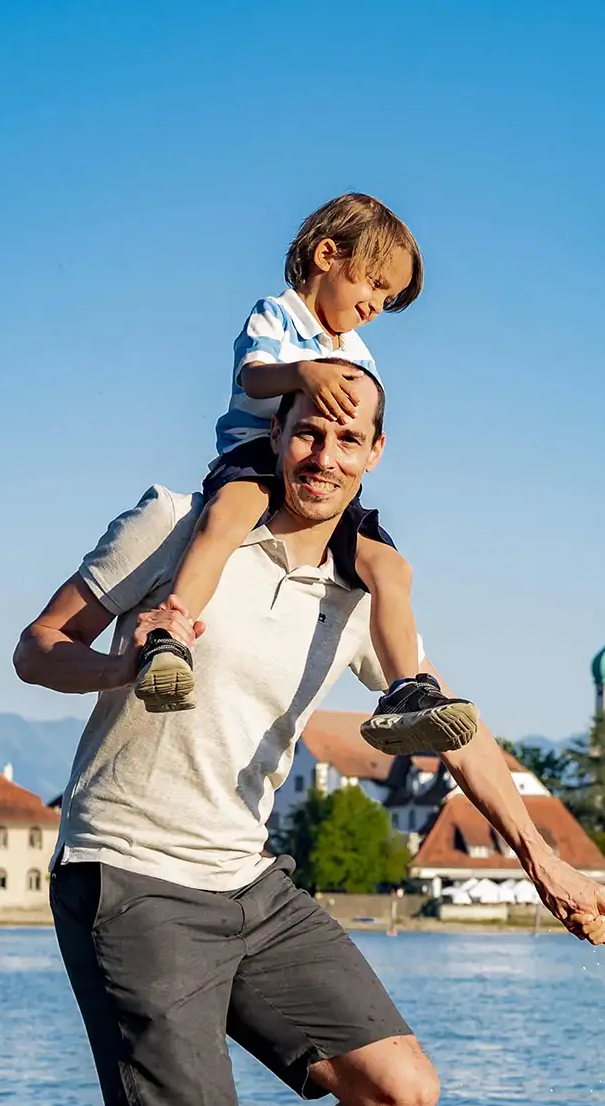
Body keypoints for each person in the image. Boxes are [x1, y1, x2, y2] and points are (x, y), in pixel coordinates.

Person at [14, 373, 605, 1106]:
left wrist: (548, 862)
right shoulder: (176, 521)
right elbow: (35, 645)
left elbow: (458, 732)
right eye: (308, 431)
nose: (324, 454)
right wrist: (130, 655)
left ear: (375, 454)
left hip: (245, 877)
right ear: (278, 434)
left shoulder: (358, 586)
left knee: (401, 1090)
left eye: (348, 439)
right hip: (129, 870)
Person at [132, 191, 477, 759]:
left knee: (389, 567)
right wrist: (305, 376)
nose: (376, 305)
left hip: (322, 484)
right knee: (225, 519)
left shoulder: (359, 353)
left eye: (387, 299)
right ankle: (172, 631)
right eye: (373, 284)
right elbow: (254, 380)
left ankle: (406, 690)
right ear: (326, 256)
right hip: (257, 459)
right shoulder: (277, 315)